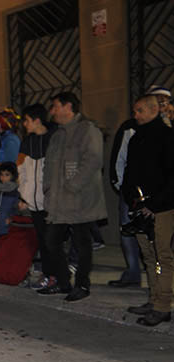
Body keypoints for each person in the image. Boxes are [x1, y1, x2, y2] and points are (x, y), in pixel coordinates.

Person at [38, 92, 106, 302]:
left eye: (55, 106)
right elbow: (49, 166)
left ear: (68, 107)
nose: (53, 111)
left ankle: (82, 284)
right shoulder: (57, 135)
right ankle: (63, 281)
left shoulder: (87, 130)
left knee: (81, 243)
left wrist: (73, 185)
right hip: (59, 201)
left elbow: (93, 160)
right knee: (51, 241)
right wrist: (48, 189)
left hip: (80, 200)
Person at [121, 94, 174, 326]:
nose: (136, 115)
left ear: (153, 110)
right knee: (149, 256)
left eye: (140, 110)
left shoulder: (166, 137)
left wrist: (155, 204)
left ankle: (163, 306)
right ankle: (154, 300)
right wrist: (131, 199)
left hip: (161, 208)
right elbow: (130, 172)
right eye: (135, 111)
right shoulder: (137, 138)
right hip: (140, 207)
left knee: (163, 256)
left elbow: (172, 177)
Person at [17, 103, 56, 289]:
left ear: (37, 120)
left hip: (52, 201)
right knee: (42, 239)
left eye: (27, 120)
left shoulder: (54, 139)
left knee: (52, 240)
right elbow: (21, 171)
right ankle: (48, 274)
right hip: (34, 202)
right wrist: (24, 196)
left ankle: (54, 275)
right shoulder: (27, 143)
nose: (25, 124)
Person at [107, 111, 141, 288]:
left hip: (161, 194)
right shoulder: (130, 127)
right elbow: (120, 156)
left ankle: (160, 283)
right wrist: (120, 184)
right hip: (131, 190)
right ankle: (133, 272)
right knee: (128, 231)